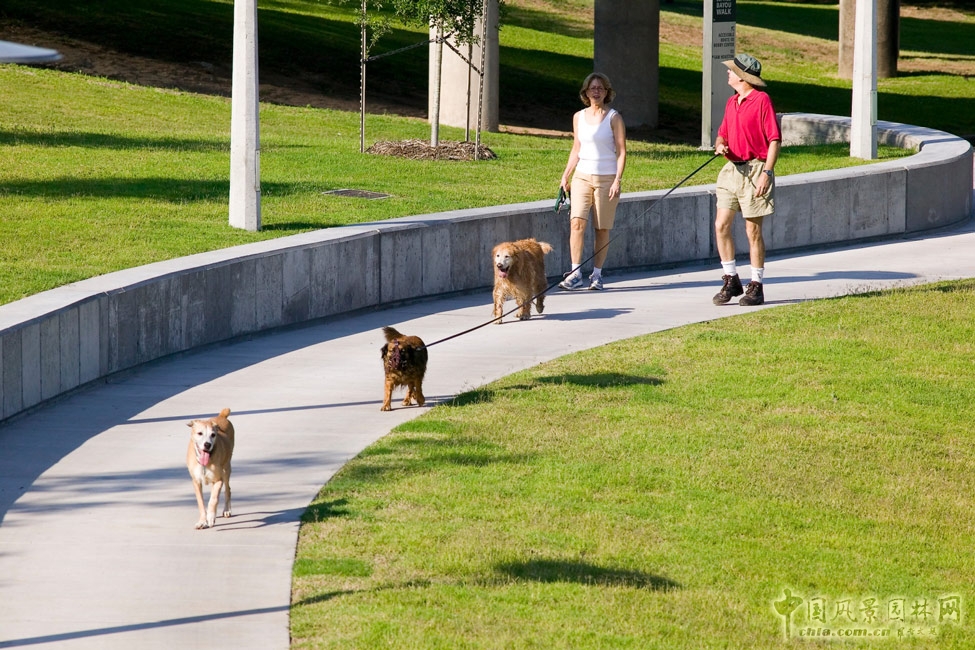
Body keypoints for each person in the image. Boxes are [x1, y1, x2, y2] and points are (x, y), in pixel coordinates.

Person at [711, 53, 781, 307]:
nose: (728, 73)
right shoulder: (732, 102)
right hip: (731, 170)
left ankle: (756, 285)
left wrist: (767, 172)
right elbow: (722, 134)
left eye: (731, 71)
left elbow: (774, 140)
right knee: (721, 225)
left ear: (743, 76)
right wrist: (721, 145)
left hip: (756, 170)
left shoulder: (762, 101)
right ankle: (731, 279)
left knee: (752, 230)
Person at [558, 72, 627, 291]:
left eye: (600, 88)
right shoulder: (578, 117)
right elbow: (576, 148)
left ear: (607, 92)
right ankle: (575, 272)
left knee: (601, 228)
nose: (596, 91)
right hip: (582, 176)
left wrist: (617, 179)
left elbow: (622, 151)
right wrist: (566, 174)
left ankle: (597, 274)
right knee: (576, 222)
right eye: (592, 88)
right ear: (585, 92)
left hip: (606, 178)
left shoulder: (614, 117)